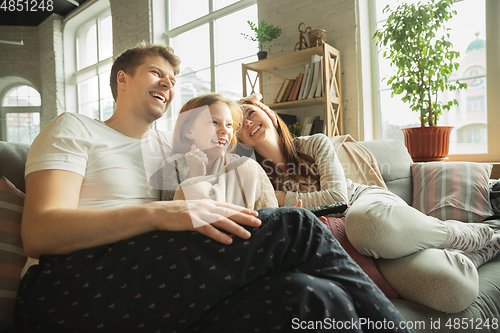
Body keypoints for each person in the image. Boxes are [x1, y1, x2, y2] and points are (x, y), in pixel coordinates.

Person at [14, 43, 412, 332]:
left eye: (172, 81)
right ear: (123, 78)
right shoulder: (74, 128)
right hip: (72, 284)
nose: (167, 85)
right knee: (297, 225)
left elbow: (225, 147)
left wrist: (251, 125)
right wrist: (160, 213)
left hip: (153, 273)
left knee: (313, 298)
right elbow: (39, 233)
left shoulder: (168, 151)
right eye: (156, 74)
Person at [236, 93, 500, 313]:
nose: (248, 123)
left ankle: (466, 232)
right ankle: (489, 247)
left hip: (365, 203)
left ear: (268, 112)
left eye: (250, 113)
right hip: (346, 242)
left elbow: (337, 198)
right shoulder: (256, 178)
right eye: (239, 124)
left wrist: (285, 199)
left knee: (365, 224)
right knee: (456, 290)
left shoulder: (314, 144)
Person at [155, 93, 277, 210]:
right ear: (189, 131)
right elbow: (172, 216)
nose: (225, 130)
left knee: (247, 166)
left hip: (253, 227)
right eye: (214, 122)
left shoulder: (239, 164)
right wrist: (196, 177)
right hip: (203, 228)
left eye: (229, 124)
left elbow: (268, 206)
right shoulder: (173, 166)